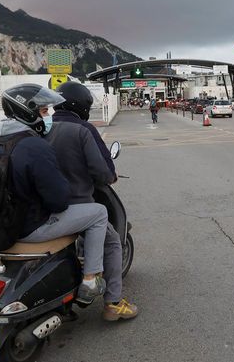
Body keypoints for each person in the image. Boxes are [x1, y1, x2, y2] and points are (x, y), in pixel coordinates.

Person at [0, 83, 109, 304]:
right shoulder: (35, 146)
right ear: (27, 112)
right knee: (99, 213)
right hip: (30, 227)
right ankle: (90, 280)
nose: (47, 116)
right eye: (44, 111)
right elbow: (58, 201)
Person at [51, 82, 139, 321]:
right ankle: (113, 303)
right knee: (112, 242)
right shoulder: (83, 130)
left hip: (46, 210)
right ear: (81, 106)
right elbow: (103, 172)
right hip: (78, 207)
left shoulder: (43, 128)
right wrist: (111, 176)